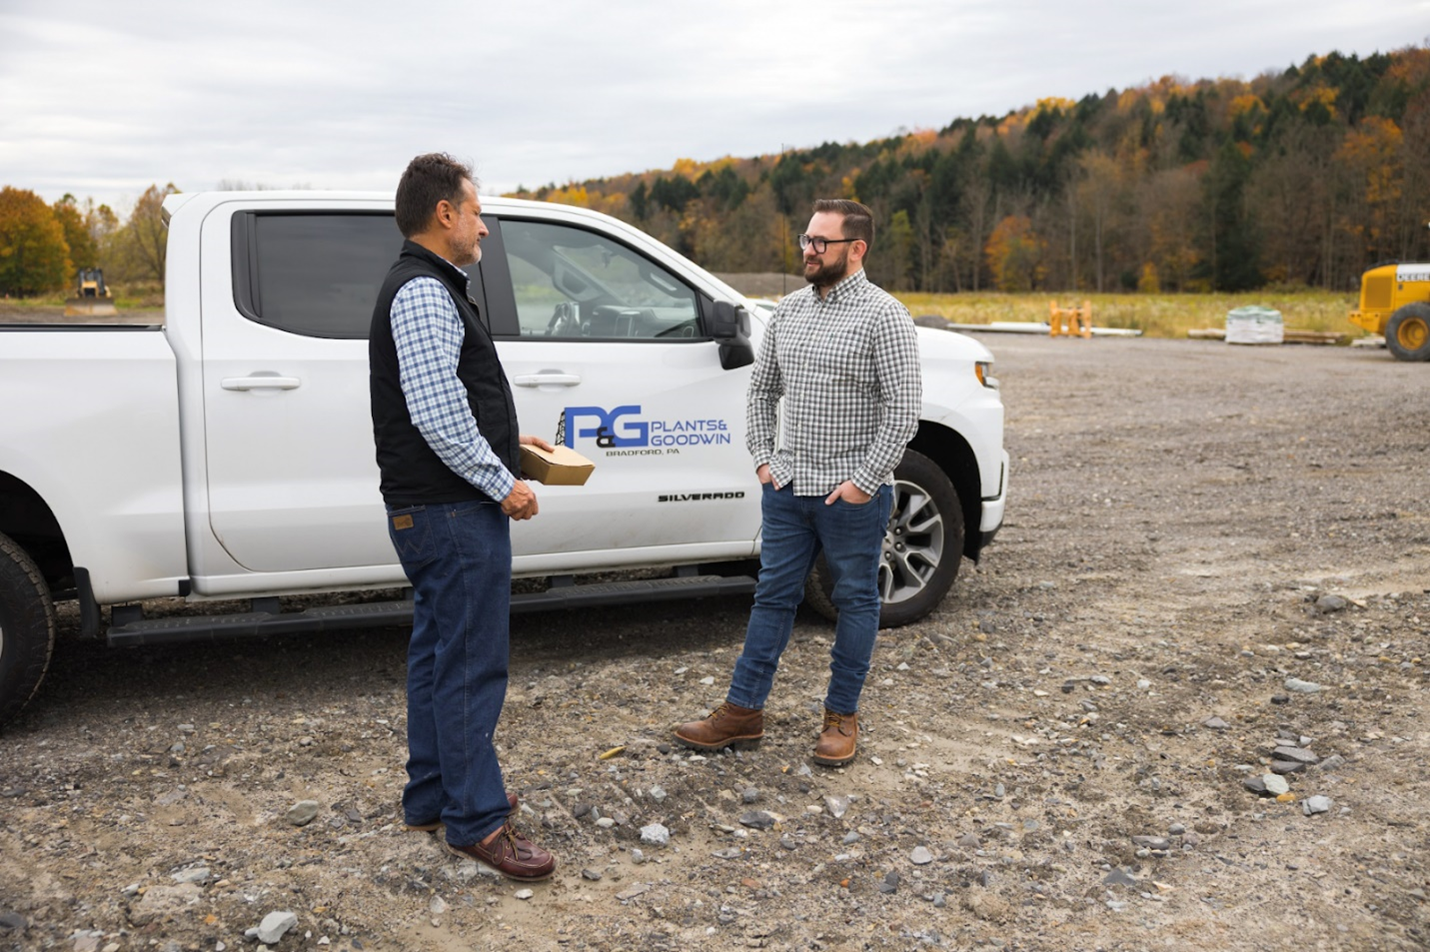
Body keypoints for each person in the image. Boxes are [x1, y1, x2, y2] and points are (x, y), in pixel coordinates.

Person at [674, 199, 921, 766]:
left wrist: (864, 481)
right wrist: (765, 461)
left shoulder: (885, 316)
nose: (808, 251)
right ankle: (743, 712)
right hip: (787, 489)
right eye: (806, 241)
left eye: (820, 243)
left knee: (855, 599)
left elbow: (903, 410)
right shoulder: (788, 313)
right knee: (771, 598)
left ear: (856, 249)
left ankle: (841, 717)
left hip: (850, 495)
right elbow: (761, 393)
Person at [369, 153, 556, 881]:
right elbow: (436, 410)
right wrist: (500, 479)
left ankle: (433, 794)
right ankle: (476, 820)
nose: (485, 224)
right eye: (476, 210)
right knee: (473, 663)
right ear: (444, 213)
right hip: (449, 510)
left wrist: (511, 443)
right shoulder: (422, 291)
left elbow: (446, 401)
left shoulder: (431, 286)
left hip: (436, 508)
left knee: (439, 654)